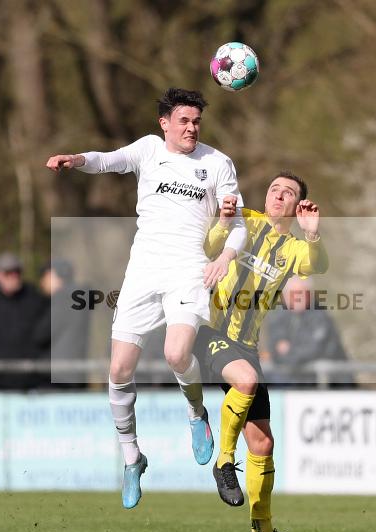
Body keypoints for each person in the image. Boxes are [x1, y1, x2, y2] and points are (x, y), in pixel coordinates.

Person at [45, 88, 247, 509]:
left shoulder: (217, 163)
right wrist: (76, 159)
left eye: (196, 122)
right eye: (184, 121)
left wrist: (226, 252)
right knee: (118, 367)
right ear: (165, 123)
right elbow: (106, 160)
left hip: (189, 270)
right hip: (142, 272)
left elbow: (239, 224)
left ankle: (197, 414)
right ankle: (132, 457)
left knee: (177, 355)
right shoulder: (148, 150)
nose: (191, 128)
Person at [197, 171, 328, 532]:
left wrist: (313, 233)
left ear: (297, 204)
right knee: (247, 381)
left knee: (263, 443)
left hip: (247, 346)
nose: (278, 195)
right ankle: (223, 461)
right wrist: (223, 220)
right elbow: (210, 243)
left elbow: (317, 264)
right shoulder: (246, 220)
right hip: (212, 331)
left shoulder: (293, 247)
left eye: (288, 193)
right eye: (274, 189)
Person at [0, 252, 47, 390]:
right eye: (7, 273)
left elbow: (47, 334)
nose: (13, 277)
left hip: (34, 381)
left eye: (17, 272)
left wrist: (37, 360)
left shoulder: (36, 299)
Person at [264, 277, 351, 387]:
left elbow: (313, 351)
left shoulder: (320, 316)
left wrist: (288, 351)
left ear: (309, 295)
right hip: (293, 378)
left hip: (328, 382)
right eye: (293, 294)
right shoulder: (278, 316)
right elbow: (274, 348)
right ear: (285, 297)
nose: (297, 298)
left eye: (301, 293)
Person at [34, 259, 90, 389]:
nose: (43, 282)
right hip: (76, 373)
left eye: (46, 276)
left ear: (56, 276)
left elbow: (41, 335)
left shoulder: (62, 300)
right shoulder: (81, 299)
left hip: (58, 377)